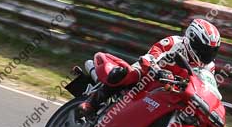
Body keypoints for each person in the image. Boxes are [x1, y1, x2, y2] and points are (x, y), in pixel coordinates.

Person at [78, 19, 222, 115]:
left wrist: (215, 103)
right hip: (150, 76)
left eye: (211, 51)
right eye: (203, 49)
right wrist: (157, 70)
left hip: (173, 92)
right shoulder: (174, 43)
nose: (206, 54)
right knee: (129, 74)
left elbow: (207, 88)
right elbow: (153, 54)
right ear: (191, 40)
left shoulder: (209, 67)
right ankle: (92, 101)